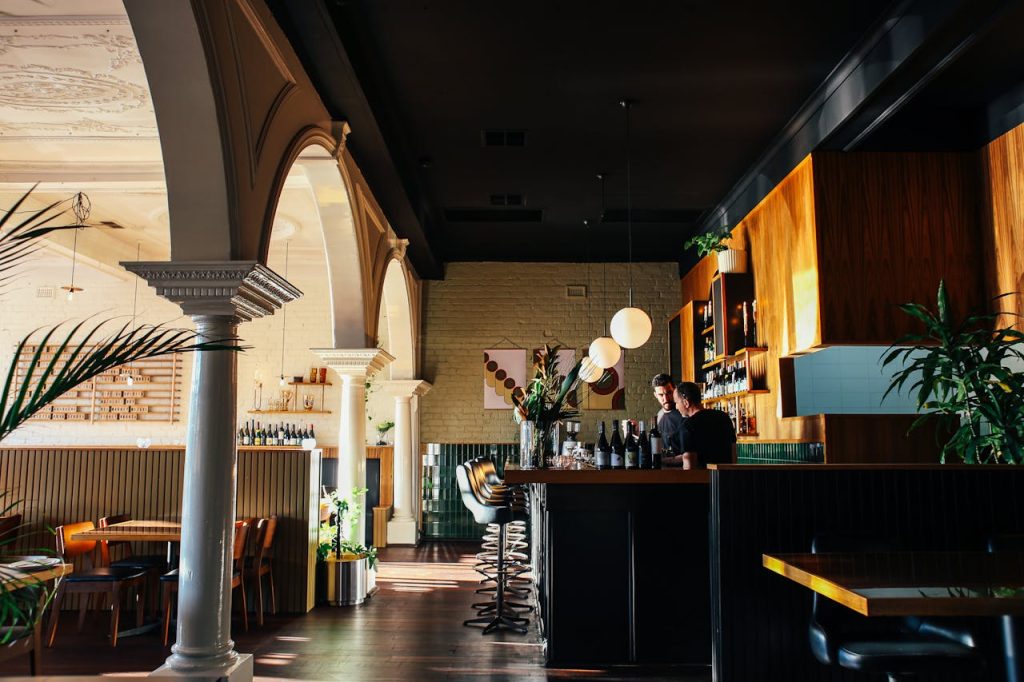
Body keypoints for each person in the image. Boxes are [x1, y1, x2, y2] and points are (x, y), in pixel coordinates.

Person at [662, 382, 736, 469]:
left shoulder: (688, 426)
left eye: (677, 403)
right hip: (725, 478)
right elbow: (733, 453)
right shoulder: (724, 417)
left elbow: (689, 468)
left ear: (686, 403)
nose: (677, 407)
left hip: (704, 480)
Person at [651, 373, 685, 453]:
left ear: (675, 389)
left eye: (669, 393)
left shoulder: (684, 413)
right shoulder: (659, 415)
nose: (665, 398)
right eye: (661, 395)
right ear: (655, 395)